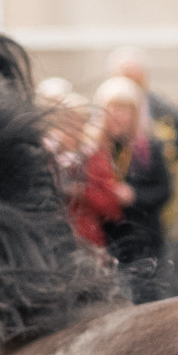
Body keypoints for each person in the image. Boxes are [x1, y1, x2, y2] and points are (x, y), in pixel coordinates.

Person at [93, 73, 171, 298]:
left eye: (124, 109)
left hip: (143, 241)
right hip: (108, 241)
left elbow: (164, 191)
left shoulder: (149, 149)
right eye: (112, 109)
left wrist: (134, 196)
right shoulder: (95, 148)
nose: (118, 116)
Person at [39, 80, 124, 252]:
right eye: (66, 123)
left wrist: (83, 192)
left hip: (87, 241)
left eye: (77, 123)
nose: (71, 130)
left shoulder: (94, 156)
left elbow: (112, 207)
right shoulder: (44, 155)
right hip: (50, 239)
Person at [104, 45, 178, 174]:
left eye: (135, 76)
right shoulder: (103, 109)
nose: (130, 84)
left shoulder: (165, 110)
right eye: (125, 77)